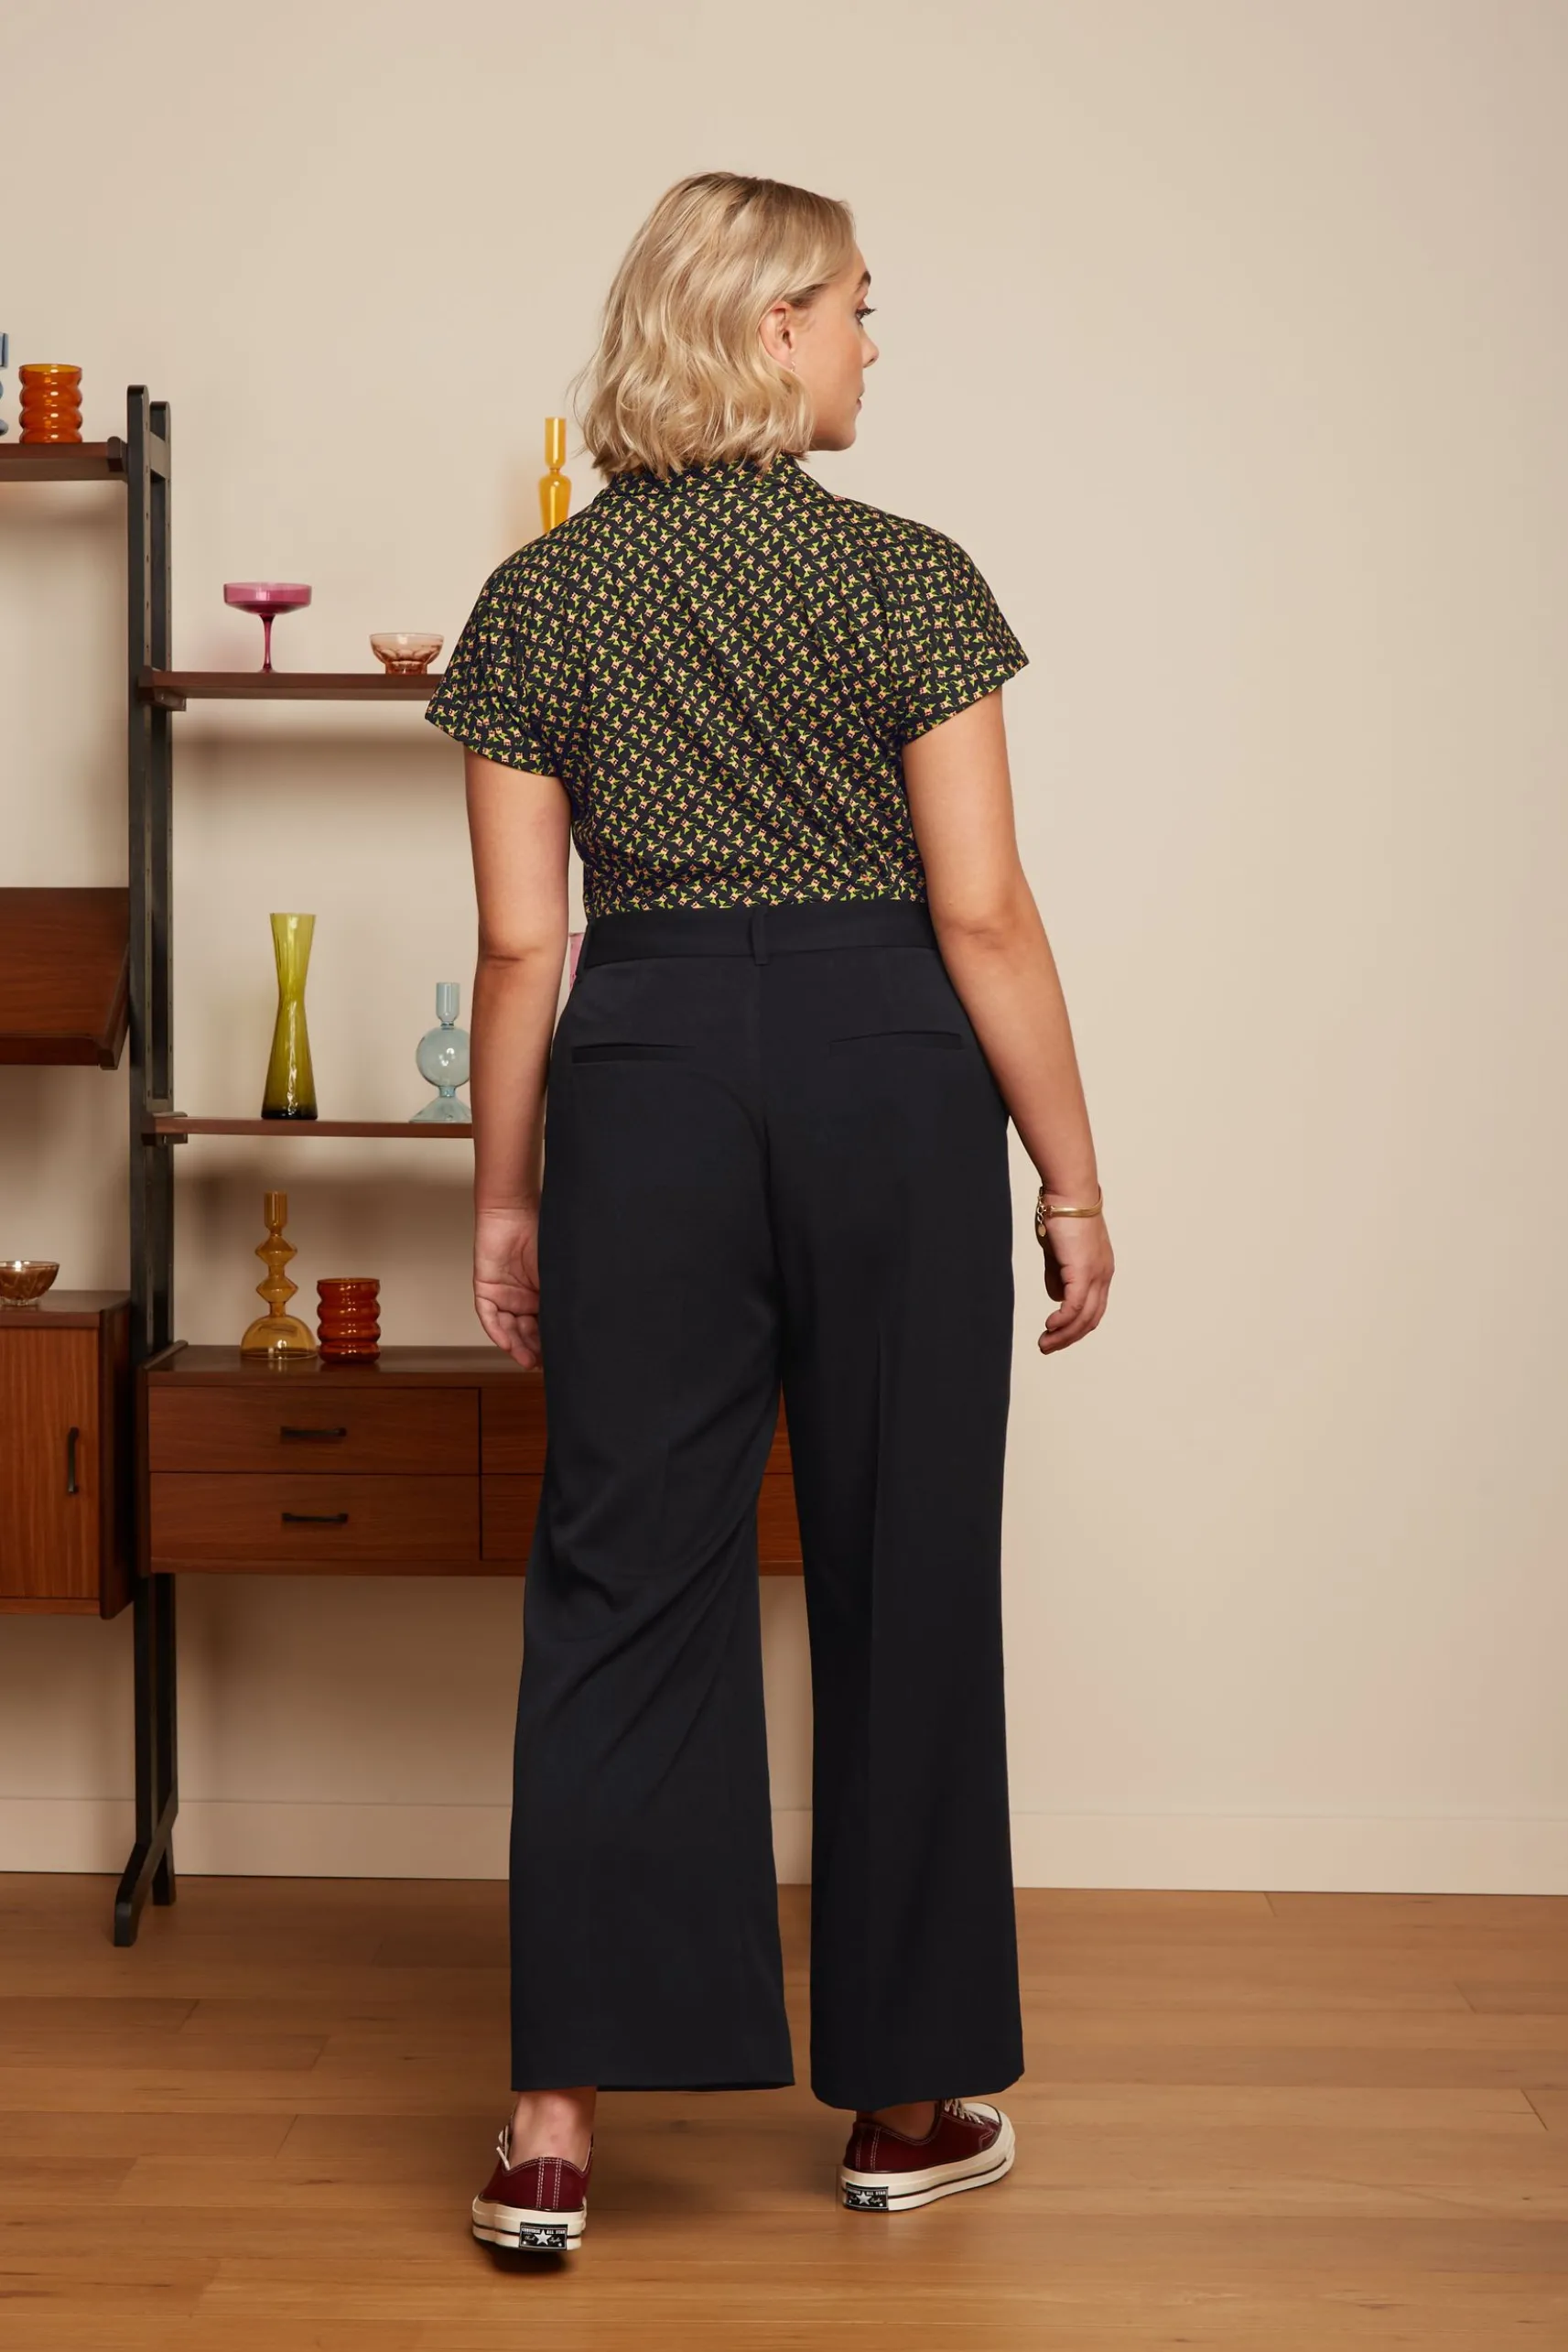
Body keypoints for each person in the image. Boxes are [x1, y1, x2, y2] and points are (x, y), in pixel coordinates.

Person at [424, 169, 1113, 2256]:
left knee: (622, 1570)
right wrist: (1072, 1174)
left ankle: (553, 2126)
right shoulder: (908, 579)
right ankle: (903, 2103)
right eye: (855, 307)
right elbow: (981, 913)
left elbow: (521, 949)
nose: (873, 344)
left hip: (643, 1079)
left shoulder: (536, 602)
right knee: (907, 1562)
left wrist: (507, 1198)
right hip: (887, 1069)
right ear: (765, 329)